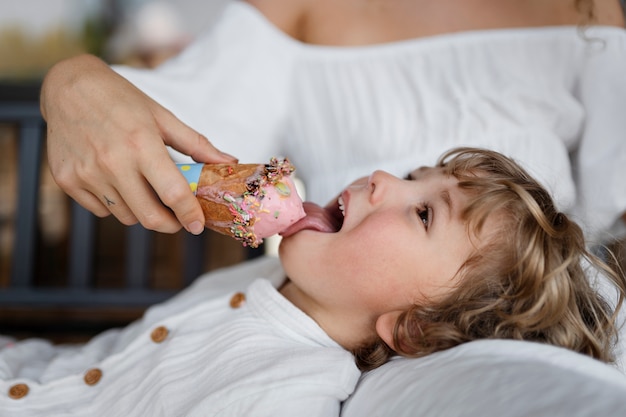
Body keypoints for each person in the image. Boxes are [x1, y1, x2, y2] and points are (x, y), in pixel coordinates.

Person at [2, 148, 624, 416]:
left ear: (411, 327)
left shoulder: (291, 392)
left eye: (424, 213)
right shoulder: (260, 275)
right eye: (415, 174)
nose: (384, 177)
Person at [39, 0, 626, 245]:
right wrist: (71, 83)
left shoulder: (587, 13)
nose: (381, 181)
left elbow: (613, 216)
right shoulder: (294, 10)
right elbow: (184, 141)